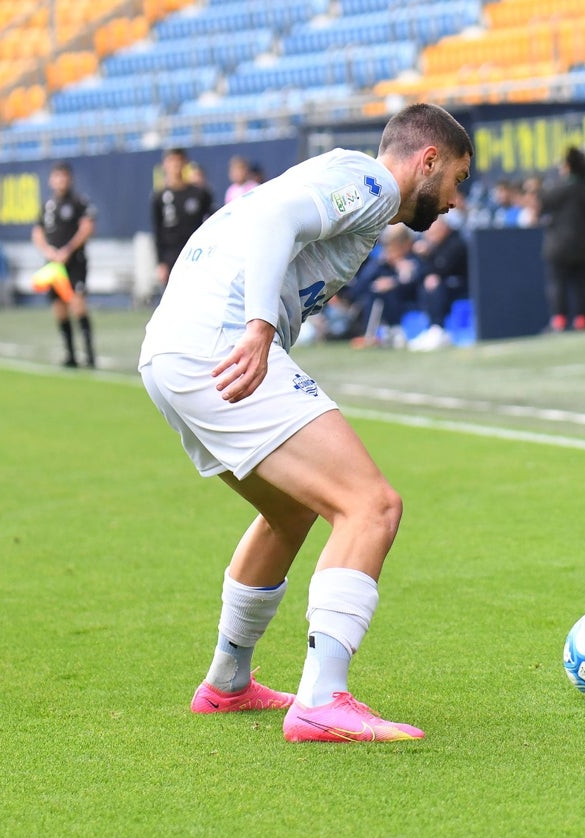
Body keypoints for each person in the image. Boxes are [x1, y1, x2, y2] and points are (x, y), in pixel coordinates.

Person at [137, 103, 473, 743]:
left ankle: (228, 683)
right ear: (427, 160)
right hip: (218, 342)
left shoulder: (343, 185)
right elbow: (271, 218)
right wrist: (260, 323)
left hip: (172, 351)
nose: (454, 200)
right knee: (371, 506)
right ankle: (322, 699)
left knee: (290, 511)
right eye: (456, 178)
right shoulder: (373, 184)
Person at [32, 161, 97, 368]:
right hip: (54, 266)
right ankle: (70, 354)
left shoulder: (79, 202)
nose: (61, 180)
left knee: (78, 305)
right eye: (57, 176)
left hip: (74, 262)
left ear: (70, 179)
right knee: (59, 308)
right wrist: (49, 252)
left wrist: (68, 249)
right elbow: (37, 232)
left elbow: (87, 227)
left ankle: (89, 354)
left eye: (64, 176)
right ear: (52, 180)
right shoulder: (47, 206)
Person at [540, 146, 585, 332]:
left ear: (568, 166)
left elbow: (543, 202)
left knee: (557, 282)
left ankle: (559, 321)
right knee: (582, 283)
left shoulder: (560, 188)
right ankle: (581, 321)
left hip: (559, 247)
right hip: (584, 246)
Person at [151, 148, 215, 291]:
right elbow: (157, 231)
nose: (176, 165)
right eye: (172, 161)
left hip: (195, 253)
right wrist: (160, 262)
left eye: (179, 161)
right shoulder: (159, 197)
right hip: (171, 255)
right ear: (165, 165)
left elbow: (212, 222)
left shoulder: (200, 194)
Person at [408, 212, 468, 351]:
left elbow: (443, 268)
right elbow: (423, 272)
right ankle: (432, 327)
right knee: (425, 286)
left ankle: (439, 329)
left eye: (433, 231)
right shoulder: (436, 246)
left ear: (444, 228)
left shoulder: (456, 243)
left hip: (460, 285)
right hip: (444, 284)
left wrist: (428, 254)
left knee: (435, 286)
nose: (430, 235)